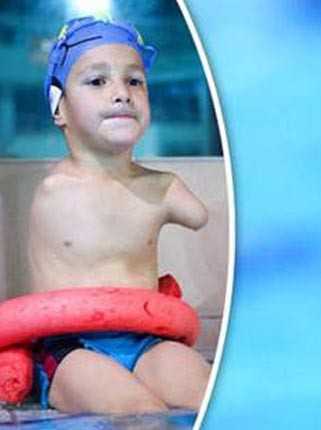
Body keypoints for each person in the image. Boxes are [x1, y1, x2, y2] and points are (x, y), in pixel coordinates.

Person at [27, 16, 210, 413]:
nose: (122, 94)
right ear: (59, 108)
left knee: (208, 394)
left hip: (147, 336)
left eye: (135, 81)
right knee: (139, 411)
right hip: (72, 346)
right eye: (97, 81)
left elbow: (199, 216)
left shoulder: (162, 187)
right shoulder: (54, 191)